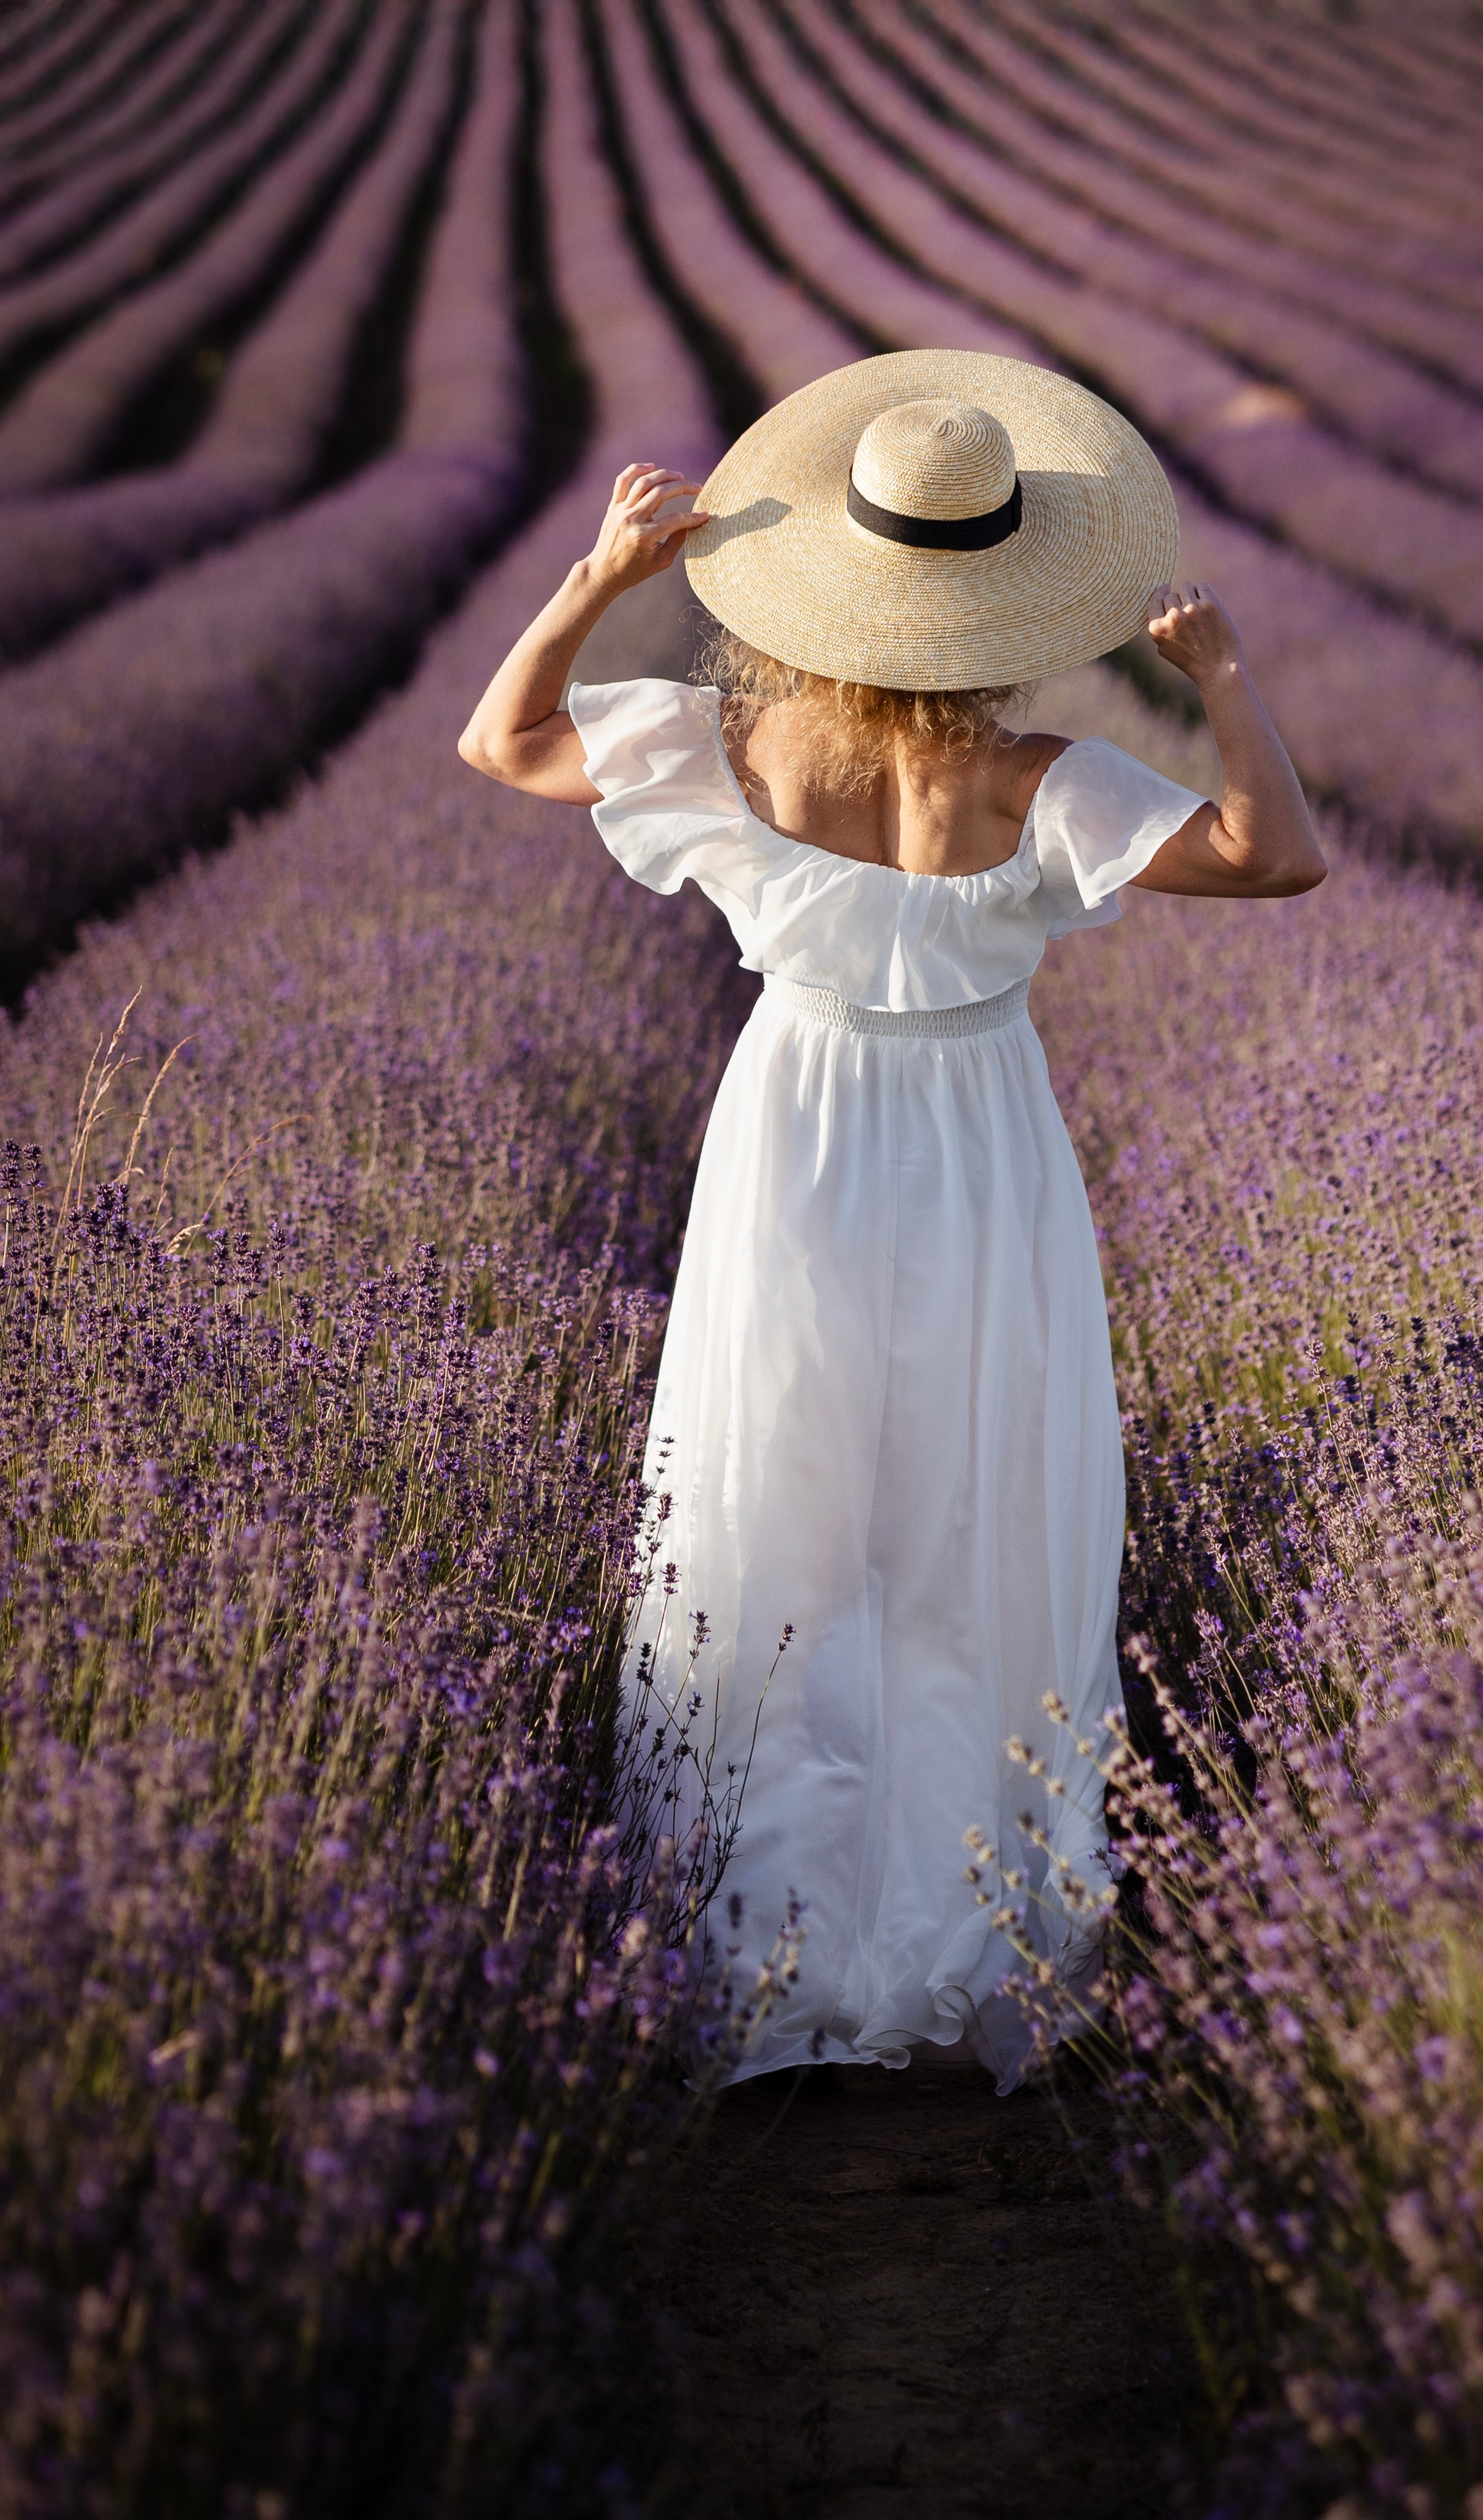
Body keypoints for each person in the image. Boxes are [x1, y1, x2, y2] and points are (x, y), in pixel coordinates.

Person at [460, 352, 1323, 2091]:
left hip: (793, 1128)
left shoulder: (733, 740)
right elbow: (1270, 853)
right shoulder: (1037, 780)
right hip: (981, 1144)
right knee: (969, 1510)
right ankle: (964, 1909)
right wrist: (1222, 681)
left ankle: (759, 1920)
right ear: (1001, 604)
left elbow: (503, 741)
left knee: (776, 1499)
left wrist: (592, 584)